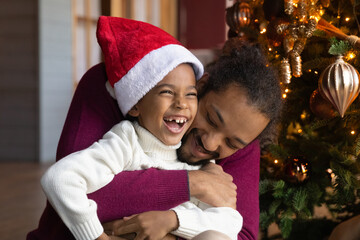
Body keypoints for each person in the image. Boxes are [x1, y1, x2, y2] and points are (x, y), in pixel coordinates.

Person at [27, 24, 282, 240]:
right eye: (211, 119)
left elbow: (238, 230)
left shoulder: (240, 136)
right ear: (200, 87)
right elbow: (71, 191)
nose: (210, 142)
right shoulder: (125, 132)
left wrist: (172, 221)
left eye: (232, 142)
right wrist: (193, 185)